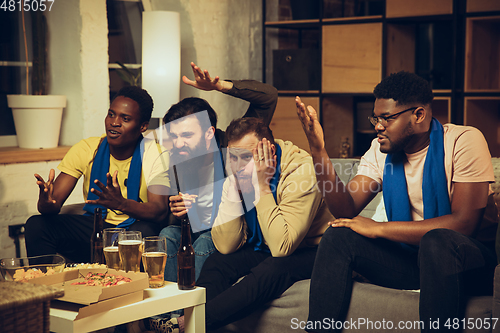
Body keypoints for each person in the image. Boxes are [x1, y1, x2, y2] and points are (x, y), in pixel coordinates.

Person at [296, 71, 497, 332]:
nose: (378, 126)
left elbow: (464, 224)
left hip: (468, 264)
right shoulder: (380, 150)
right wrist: (318, 151)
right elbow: (345, 208)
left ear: (419, 115)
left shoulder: (463, 141)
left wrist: (379, 228)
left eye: (387, 118)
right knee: (339, 235)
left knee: (437, 240)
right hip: (413, 261)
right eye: (375, 118)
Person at [156, 117, 333, 333]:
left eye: (247, 157)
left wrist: (262, 185)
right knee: (218, 262)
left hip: (314, 249)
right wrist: (233, 190)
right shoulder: (237, 170)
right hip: (265, 244)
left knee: (274, 269)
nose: (239, 166)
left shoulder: (302, 170)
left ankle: (190, 325)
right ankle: (188, 318)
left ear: (270, 153)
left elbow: (282, 247)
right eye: (233, 157)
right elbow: (226, 245)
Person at [159, 62, 278, 283]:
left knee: (205, 241)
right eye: (173, 136)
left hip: (234, 233)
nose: (178, 143)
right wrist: (178, 209)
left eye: (186, 135)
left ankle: (192, 313)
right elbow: (183, 221)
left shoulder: (234, 147)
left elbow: (269, 96)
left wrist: (221, 86)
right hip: (198, 229)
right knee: (167, 236)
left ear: (208, 133)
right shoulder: (178, 159)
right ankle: (167, 315)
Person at [24, 86, 171, 263]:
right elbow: (52, 205)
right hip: (97, 228)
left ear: (143, 126)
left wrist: (122, 204)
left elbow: (159, 211)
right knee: (37, 224)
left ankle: (129, 286)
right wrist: (45, 201)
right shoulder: (87, 148)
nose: (114, 122)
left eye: (125, 118)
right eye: (111, 114)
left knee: (143, 233)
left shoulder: (156, 154)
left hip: (134, 229)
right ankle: (44, 288)